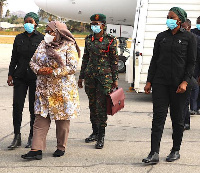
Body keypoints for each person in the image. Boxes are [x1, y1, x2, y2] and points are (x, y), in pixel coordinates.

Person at [142, 7, 197, 164]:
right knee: (158, 118)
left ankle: (175, 150)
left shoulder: (190, 38)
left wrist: (185, 82)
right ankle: (154, 153)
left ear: (179, 20)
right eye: (167, 17)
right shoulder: (161, 37)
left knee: (177, 118)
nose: (169, 20)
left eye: (171, 17)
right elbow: (155, 60)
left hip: (180, 85)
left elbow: (191, 63)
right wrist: (149, 81)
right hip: (160, 83)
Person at [21, 21, 80, 160]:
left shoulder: (68, 46)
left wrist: (53, 72)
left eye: (50, 31)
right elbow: (32, 61)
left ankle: (61, 147)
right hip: (43, 90)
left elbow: (72, 67)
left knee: (62, 122)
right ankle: (36, 150)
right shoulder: (43, 44)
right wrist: (39, 70)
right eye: (46, 31)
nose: (47, 34)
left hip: (62, 92)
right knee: (40, 120)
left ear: (59, 33)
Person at [78, 14, 118, 149]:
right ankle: (94, 132)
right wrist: (81, 76)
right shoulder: (88, 39)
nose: (94, 26)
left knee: (101, 107)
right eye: (92, 24)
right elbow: (85, 58)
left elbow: (114, 61)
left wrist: (115, 79)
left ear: (103, 25)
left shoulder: (110, 40)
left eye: (96, 23)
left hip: (104, 78)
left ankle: (101, 136)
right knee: (92, 105)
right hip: (90, 77)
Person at [7, 12, 44, 149]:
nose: (27, 23)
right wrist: (10, 74)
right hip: (20, 77)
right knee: (17, 107)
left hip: (35, 78)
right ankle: (17, 136)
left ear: (36, 23)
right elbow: (13, 58)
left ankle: (31, 136)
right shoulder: (18, 38)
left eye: (31, 21)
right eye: (26, 21)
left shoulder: (42, 38)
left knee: (33, 108)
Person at [181, 19, 200, 130]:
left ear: (189, 27)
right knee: (181, 100)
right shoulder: (177, 38)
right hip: (178, 72)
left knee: (186, 98)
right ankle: (183, 121)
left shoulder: (196, 39)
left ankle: (185, 122)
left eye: (185, 27)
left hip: (192, 72)